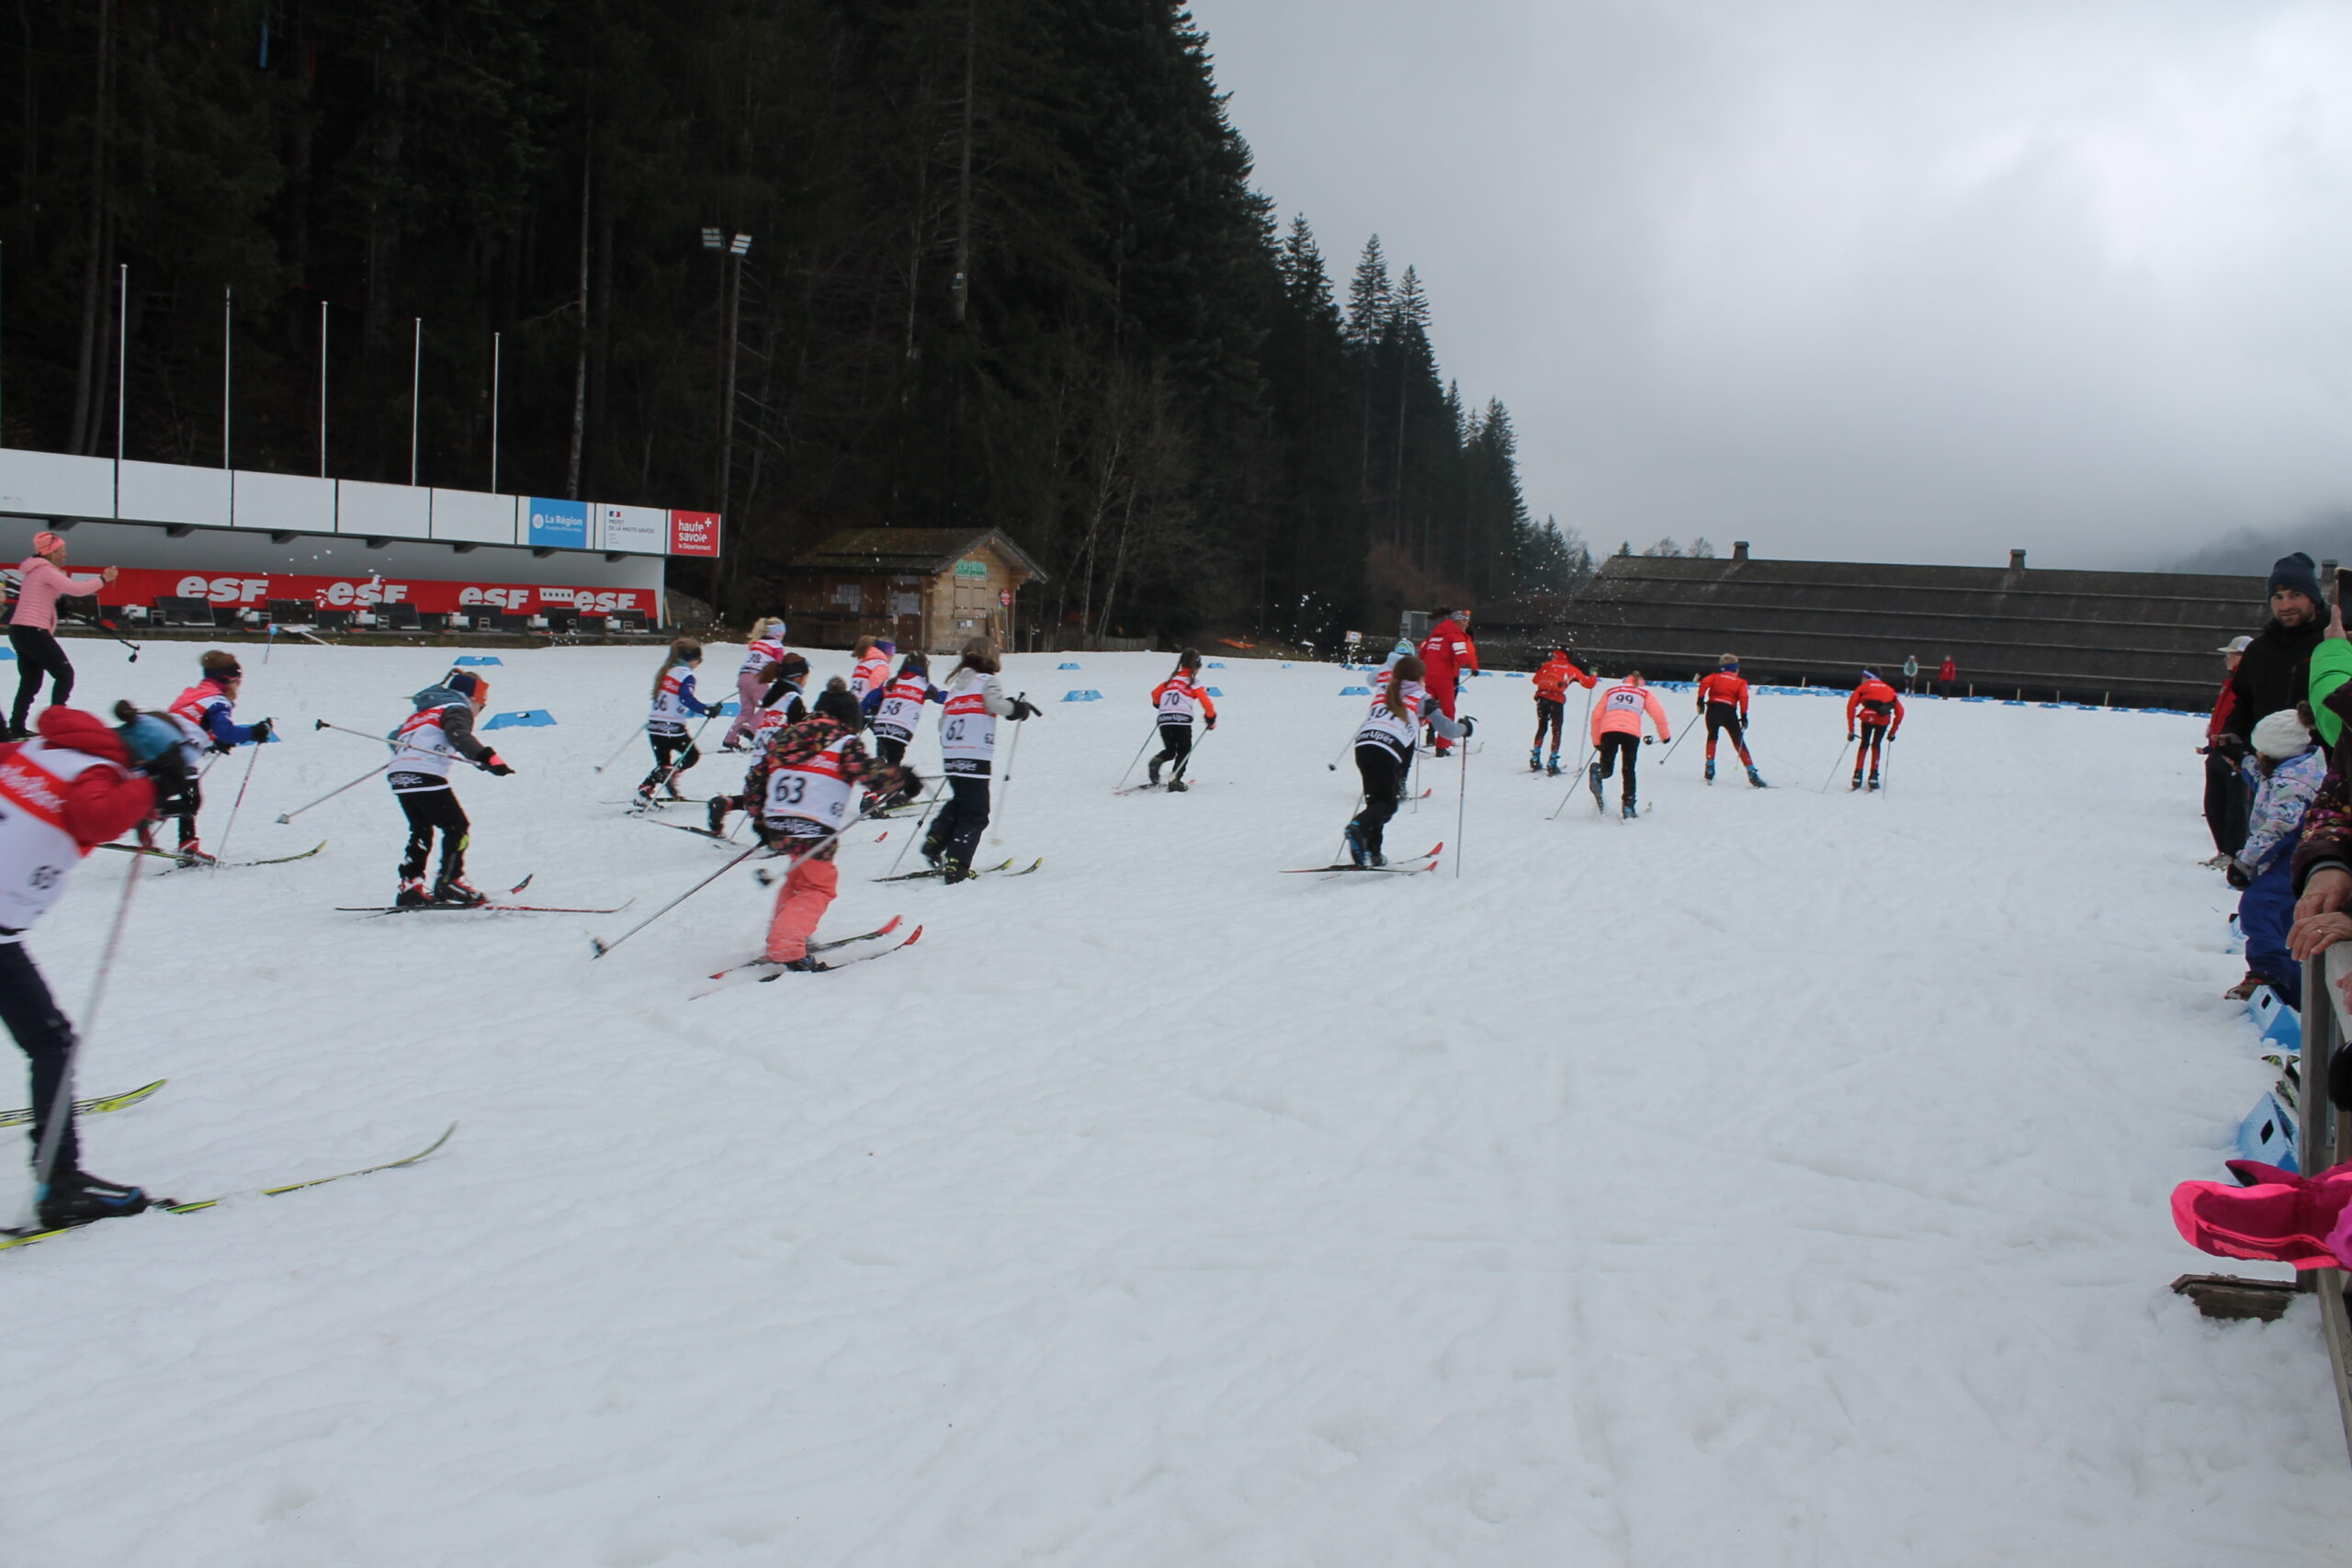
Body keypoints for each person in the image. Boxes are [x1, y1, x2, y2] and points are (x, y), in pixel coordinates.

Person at [0, 705, 169, 1229]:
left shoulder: (39, 748)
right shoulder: (102, 773)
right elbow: (94, 815)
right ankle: (62, 1185)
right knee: (52, 1042)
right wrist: (149, 789)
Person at [744, 693, 918, 971]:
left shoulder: (783, 738)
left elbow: (756, 779)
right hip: (814, 825)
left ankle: (785, 934)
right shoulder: (844, 741)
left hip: (779, 822)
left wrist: (760, 821)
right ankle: (787, 942)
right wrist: (902, 778)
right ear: (850, 720)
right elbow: (869, 775)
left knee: (797, 879)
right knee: (818, 887)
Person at [388, 669, 514, 907]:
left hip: (399, 775)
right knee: (457, 827)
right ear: (473, 697)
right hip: (425, 773)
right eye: (482, 705)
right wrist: (488, 758)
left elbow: (394, 737)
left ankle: (410, 885)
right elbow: (458, 734)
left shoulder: (424, 711)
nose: (479, 710)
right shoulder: (457, 707)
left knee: (421, 829)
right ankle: (450, 881)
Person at [2226, 709, 2326, 1006]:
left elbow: (2279, 827)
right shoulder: (2299, 767)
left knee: (2260, 905)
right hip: (2298, 853)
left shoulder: (2291, 785)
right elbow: (2265, 782)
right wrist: (2240, 759)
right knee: (2284, 916)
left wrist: (2245, 861)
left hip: (2295, 855)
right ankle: (2295, 988)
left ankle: (2269, 972)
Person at [921, 638, 1038, 882]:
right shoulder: (986, 681)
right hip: (975, 754)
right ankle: (957, 862)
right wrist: (1018, 709)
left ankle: (937, 838)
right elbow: (994, 704)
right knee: (976, 812)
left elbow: (943, 721)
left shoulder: (957, 686)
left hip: (952, 754)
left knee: (961, 801)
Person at [1346, 654, 1466, 866]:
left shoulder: (1384, 689)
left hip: (1363, 746)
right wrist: (1466, 729)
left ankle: (1372, 852)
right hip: (1386, 749)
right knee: (1388, 804)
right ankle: (1358, 827)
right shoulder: (1421, 698)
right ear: (1420, 678)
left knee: (1377, 801)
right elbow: (1446, 729)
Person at [158, 649, 275, 861]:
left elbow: (192, 722)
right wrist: (255, 731)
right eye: (238, 681)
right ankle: (143, 813)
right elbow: (226, 731)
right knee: (190, 803)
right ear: (228, 680)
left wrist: (213, 741)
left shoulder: (195, 694)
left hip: (163, 748)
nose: (239, 686)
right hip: (176, 756)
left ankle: (188, 844)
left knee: (187, 798)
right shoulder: (218, 702)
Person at [6, 532, 118, 740]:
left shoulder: (34, 570)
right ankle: (55, 724)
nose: (65, 554)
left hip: (20, 630)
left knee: (30, 683)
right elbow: (76, 589)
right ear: (51, 552)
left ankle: (16, 728)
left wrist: (57, 607)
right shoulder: (45, 570)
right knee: (64, 674)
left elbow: (40, 598)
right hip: (33, 630)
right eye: (61, 550)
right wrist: (104, 579)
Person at [639, 639, 717, 806]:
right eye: (699, 660)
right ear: (691, 658)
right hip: (672, 728)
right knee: (691, 756)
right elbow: (685, 698)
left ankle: (646, 787)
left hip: (655, 727)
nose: (699, 664)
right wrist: (706, 710)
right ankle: (670, 774)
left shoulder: (666, 672)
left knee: (664, 764)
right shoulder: (686, 675)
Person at [1588, 671, 1669, 818]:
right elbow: (1659, 714)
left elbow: (1596, 715)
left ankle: (1599, 771)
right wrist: (1665, 735)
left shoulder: (1611, 691)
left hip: (1609, 730)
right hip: (1631, 734)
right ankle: (1628, 805)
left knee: (1607, 767)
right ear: (1641, 682)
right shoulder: (1644, 693)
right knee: (1628, 769)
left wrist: (1597, 740)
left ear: (1625, 680)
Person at [2203, 635, 2254, 863]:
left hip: (2234, 754)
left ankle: (2234, 854)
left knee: (2236, 808)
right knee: (2215, 804)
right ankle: (2223, 850)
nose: (2226, 659)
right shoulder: (2230, 683)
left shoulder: (2250, 685)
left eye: (2231, 655)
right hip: (2217, 751)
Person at [1148, 649, 1218, 791]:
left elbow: (1155, 694)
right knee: (1184, 751)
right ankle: (1175, 780)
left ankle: (1156, 762)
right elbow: (1206, 703)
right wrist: (1210, 718)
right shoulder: (1194, 683)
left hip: (1164, 720)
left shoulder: (1170, 680)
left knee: (1170, 750)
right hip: (1181, 722)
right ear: (1197, 666)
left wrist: (1158, 704)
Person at [1416, 608, 1478, 756]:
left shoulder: (1434, 635)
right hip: (1443, 678)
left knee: (1424, 707)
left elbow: (1421, 654)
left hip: (1427, 675)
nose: (1466, 625)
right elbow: (1462, 658)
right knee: (1448, 710)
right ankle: (1442, 746)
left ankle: (1410, 732)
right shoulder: (1456, 635)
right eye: (1464, 621)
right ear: (1457, 621)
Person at [1695, 653, 1765, 787]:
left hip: (1713, 709)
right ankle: (1751, 772)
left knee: (1712, 736)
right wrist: (1744, 716)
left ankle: (1710, 766)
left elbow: (1704, 683)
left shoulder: (1714, 677)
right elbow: (1744, 698)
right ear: (1735, 669)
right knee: (1738, 741)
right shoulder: (1740, 682)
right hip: (1729, 712)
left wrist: (1700, 701)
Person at [865, 651, 944, 767]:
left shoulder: (891, 682)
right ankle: (890, 776)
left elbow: (871, 699)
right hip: (901, 729)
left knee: (884, 748)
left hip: (881, 726)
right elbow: (941, 697)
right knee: (894, 762)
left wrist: (861, 712)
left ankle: (881, 767)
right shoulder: (923, 685)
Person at [721, 616, 788, 750]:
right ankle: (751, 729)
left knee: (746, 711)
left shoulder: (757, 643)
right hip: (757, 679)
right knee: (770, 705)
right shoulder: (776, 646)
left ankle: (730, 739)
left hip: (743, 677)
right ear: (779, 633)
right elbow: (779, 665)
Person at [1529, 646, 1594, 774]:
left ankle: (1535, 756)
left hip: (1542, 698)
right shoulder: (1571, 669)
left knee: (1542, 727)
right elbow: (1589, 684)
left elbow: (1535, 680)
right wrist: (1594, 674)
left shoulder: (1547, 665)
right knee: (1556, 729)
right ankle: (1552, 761)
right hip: (1557, 700)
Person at [1845, 670, 1904, 792]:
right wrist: (1892, 732)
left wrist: (1851, 729)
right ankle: (1873, 776)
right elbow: (1900, 712)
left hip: (1867, 717)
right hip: (1883, 719)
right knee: (1876, 745)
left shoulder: (1863, 688)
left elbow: (1851, 706)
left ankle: (1857, 775)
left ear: (1868, 678)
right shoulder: (1889, 689)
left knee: (1864, 743)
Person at [850, 637, 896, 706]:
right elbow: (875, 682)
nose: (892, 655)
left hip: (853, 702)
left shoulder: (863, 664)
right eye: (890, 650)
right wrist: (876, 701)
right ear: (883, 650)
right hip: (866, 704)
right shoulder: (881, 665)